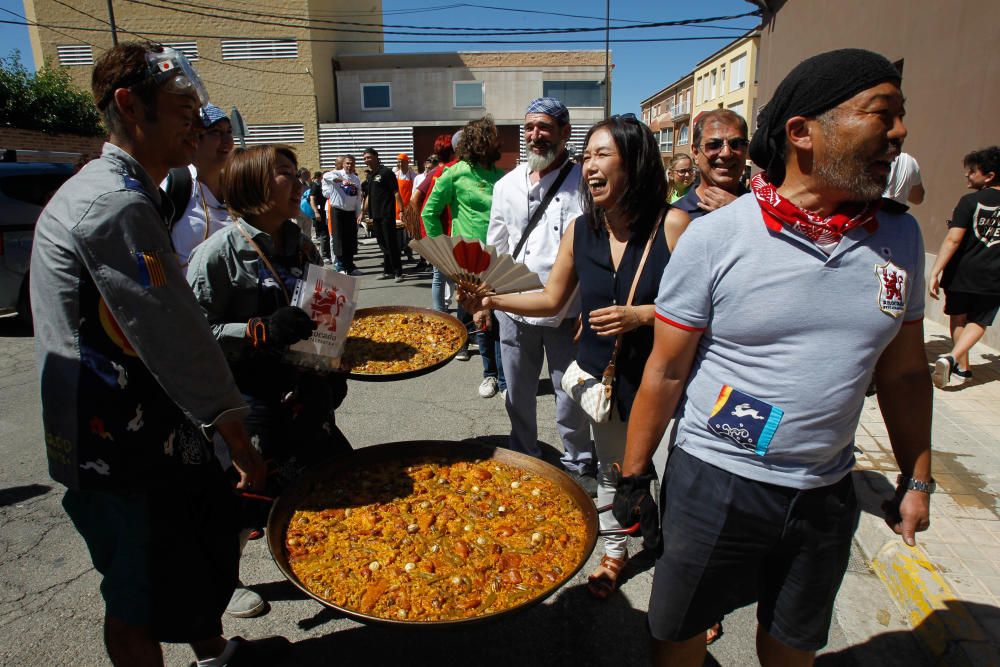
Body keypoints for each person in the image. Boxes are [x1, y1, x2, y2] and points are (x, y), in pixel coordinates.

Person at [615, 49, 932, 667]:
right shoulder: (715, 236)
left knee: (793, 642)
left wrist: (916, 477)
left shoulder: (900, 235)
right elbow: (668, 368)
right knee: (678, 631)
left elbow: (905, 370)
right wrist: (632, 477)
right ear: (802, 132)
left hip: (824, 492)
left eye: (901, 115)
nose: (898, 133)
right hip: (715, 479)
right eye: (881, 114)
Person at [29, 41, 286, 666]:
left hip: (143, 420)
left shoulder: (124, 187)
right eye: (180, 108)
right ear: (129, 106)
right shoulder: (112, 203)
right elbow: (173, 331)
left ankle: (213, 651)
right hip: (110, 437)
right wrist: (237, 434)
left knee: (188, 550)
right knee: (134, 596)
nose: (195, 124)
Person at [463, 114, 690, 598]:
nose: (589, 166)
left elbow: (705, 309)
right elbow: (549, 299)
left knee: (674, 480)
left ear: (635, 162)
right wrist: (492, 299)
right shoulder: (582, 230)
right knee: (611, 470)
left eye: (602, 155)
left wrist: (643, 315)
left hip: (665, 380)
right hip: (605, 380)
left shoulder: (673, 226)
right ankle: (614, 552)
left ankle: (684, 577)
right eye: (586, 156)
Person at [187, 143, 353, 617]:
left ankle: (335, 563)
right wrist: (257, 330)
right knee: (245, 496)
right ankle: (224, 582)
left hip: (302, 388)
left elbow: (321, 307)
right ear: (255, 185)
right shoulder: (217, 253)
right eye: (283, 172)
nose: (296, 177)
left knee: (332, 476)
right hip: (247, 397)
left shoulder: (300, 240)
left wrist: (332, 354)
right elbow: (193, 335)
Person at [487, 97, 596, 493]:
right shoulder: (506, 185)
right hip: (514, 308)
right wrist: (487, 299)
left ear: (564, 133)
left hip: (569, 308)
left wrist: (594, 302)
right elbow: (496, 246)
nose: (536, 135)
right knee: (517, 389)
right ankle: (524, 452)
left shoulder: (584, 181)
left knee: (570, 392)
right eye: (530, 127)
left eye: (545, 127)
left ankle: (578, 459)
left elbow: (599, 247)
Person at [423, 117, 507, 397]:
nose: (495, 142)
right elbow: (428, 213)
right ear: (476, 142)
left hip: (500, 258)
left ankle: (507, 379)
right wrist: (444, 254)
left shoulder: (501, 175)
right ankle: (490, 374)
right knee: (482, 318)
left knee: (504, 317)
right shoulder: (454, 173)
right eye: (489, 137)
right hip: (468, 261)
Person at [928, 146, 1000, 387]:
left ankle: (960, 366)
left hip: (961, 271)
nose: (967, 175)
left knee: (958, 317)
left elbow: (953, 239)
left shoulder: (970, 201)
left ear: (989, 176)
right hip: (993, 276)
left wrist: (936, 270)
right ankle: (956, 361)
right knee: (979, 321)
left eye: (972, 171)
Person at [164, 103, 234, 267]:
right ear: (193, 138)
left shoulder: (235, 190)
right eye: (216, 132)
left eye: (229, 132)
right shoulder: (175, 185)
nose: (227, 140)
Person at [405, 132, 459, 313]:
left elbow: (414, 199)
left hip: (434, 232)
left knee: (439, 275)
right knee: (460, 276)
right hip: (452, 230)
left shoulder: (435, 172)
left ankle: (440, 311)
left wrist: (416, 230)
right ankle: (456, 314)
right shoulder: (455, 169)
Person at [673, 109, 749, 221]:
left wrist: (741, 211)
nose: (726, 153)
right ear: (695, 152)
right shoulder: (673, 217)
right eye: (714, 145)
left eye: (736, 144)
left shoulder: (764, 210)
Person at [363, 147, 405, 282]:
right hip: (375, 216)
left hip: (386, 214)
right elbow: (368, 196)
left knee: (390, 243)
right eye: (364, 158)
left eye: (368, 157)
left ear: (376, 156)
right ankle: (388, 271)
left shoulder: (386, 173)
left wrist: (402, 210)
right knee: (382, 243)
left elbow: (396, 192)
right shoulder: (370, 176)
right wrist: (362, 213)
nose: (366, 160)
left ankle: (398, 272)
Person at [323, 155, 364, 275]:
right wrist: (342, 181)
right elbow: (325, 176)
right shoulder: (336, 174)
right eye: (347, 163)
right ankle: (340, 267)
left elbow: (358, 197)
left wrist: (359, 213)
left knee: (350, 239)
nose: (349, 166)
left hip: (351, 212)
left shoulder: (356, 179)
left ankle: (350, 266)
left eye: (352, 164)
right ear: (343, 164)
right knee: (339, 239)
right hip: (338, 211)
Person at [394, 152, 419, 265]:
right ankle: (398, 255)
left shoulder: (413, 176)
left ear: (407, 162)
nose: (400, 163)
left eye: (402, 161)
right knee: (398, 233)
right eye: (398, 161)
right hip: (397, 208)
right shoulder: (395, 175)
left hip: (409, 208)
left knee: (409, 233)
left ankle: (409, 255)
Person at [309, 170, 331, 264]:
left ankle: (331, 254)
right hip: (321, 213)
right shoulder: (316, 186)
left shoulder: (331, 186)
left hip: (329, 213)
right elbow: (312, 199)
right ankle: (325, 255)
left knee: (330, 235)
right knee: (324, 234)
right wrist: (316, 212)